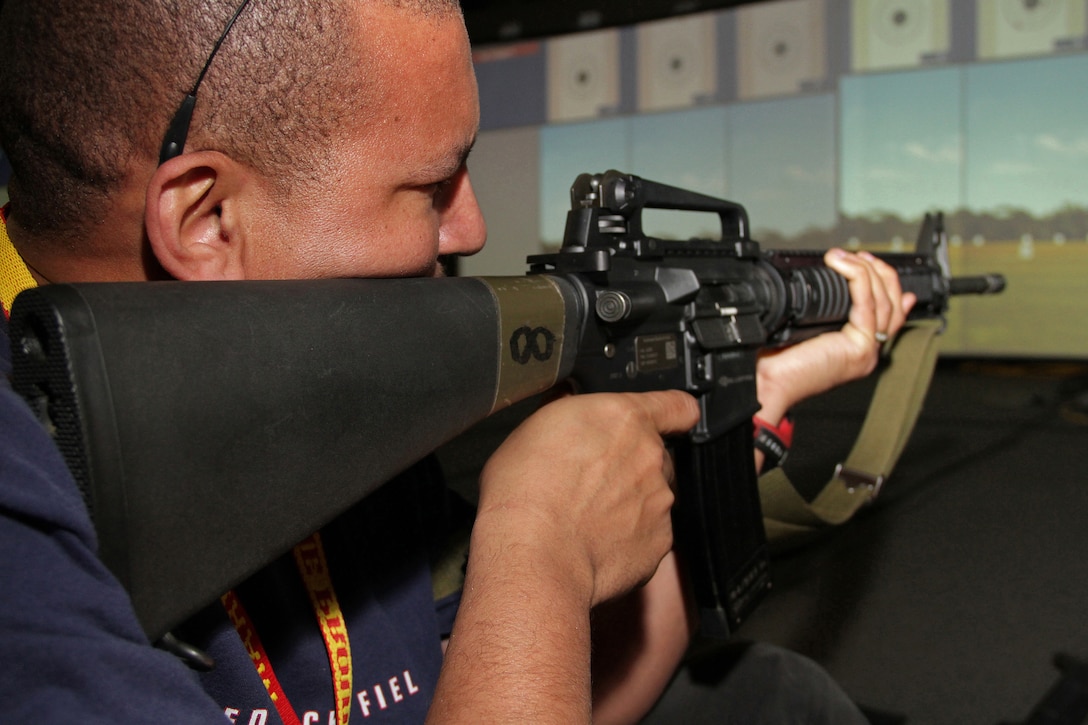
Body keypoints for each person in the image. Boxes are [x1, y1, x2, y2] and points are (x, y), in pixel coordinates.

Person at [0, 0, 914, 722]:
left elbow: (548, 690)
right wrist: (537, 549)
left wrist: (745, 403)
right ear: (206, 219)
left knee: (779, 696)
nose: (471, 228)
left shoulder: (318, 361)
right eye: (431, 184)